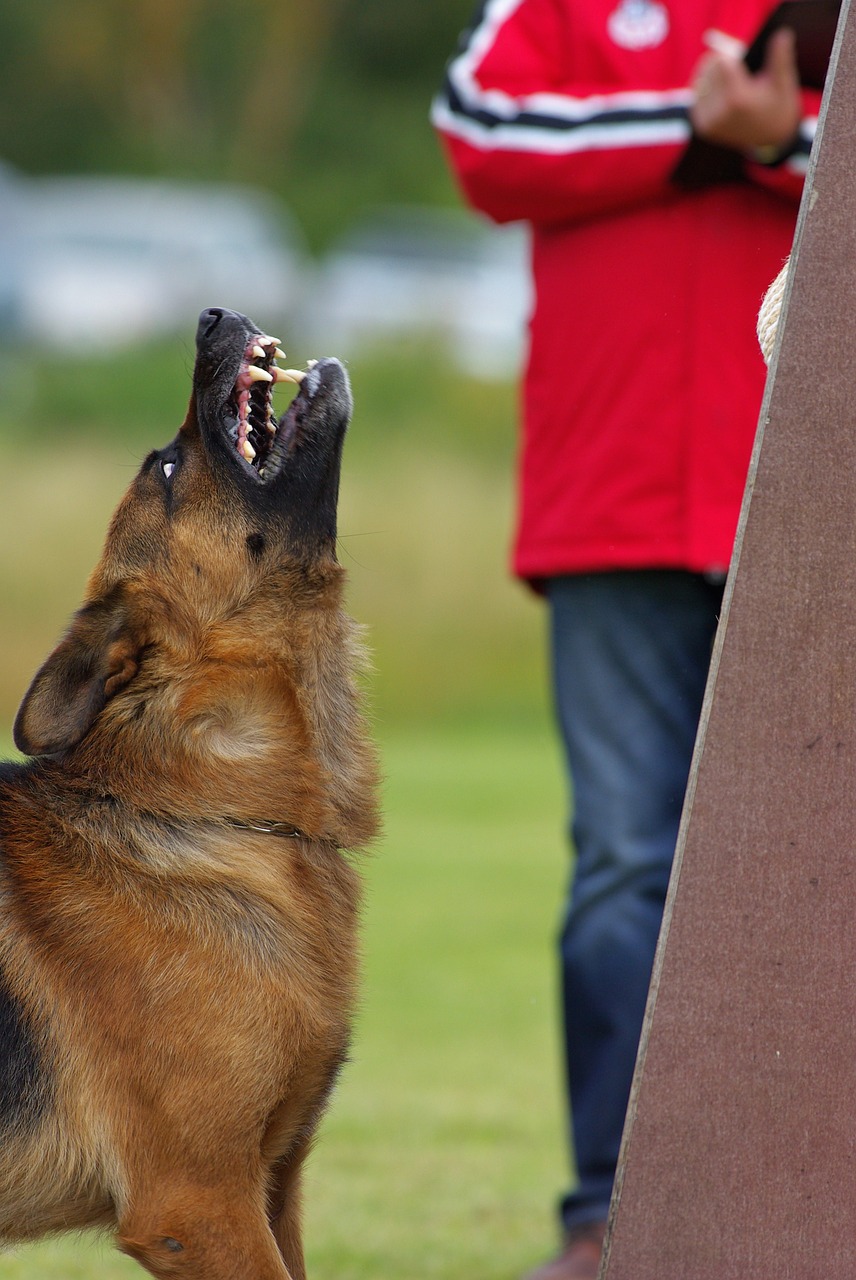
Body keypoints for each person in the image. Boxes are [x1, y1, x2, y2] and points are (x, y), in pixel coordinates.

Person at [432, 3, 822, 1276]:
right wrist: (694, 131)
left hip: (817, 502)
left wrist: (782, 138)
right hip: (611, 496)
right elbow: (478, 130)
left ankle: (808, 1213)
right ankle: (611, 1216)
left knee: (825, 871)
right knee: (620, 863)